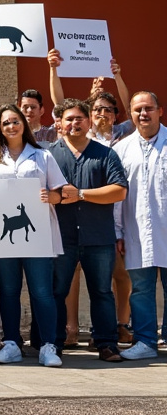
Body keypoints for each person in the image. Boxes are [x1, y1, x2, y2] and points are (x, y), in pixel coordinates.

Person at [0, 104, 66, 367]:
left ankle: (48, 345)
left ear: (24, 124)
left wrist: (52, 196)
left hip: (39, 237)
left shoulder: (42, 156)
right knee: (8, 291)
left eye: (15, 121)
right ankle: (11, 343)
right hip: (3, 236)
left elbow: (61, 192)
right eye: (5, 122)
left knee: (42, 292)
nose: (11, 126)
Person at [49, 98, 128, 362]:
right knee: (57, 291)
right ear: (59, 123)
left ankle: (106, 344)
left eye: (79, 118)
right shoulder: (49, 155)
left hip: (98, 237)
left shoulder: (105, 153)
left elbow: (119, 190)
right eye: (68, 119)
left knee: (102, 292)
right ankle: (54, 343)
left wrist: (81, 194)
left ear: (89, 120)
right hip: (61, 237)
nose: (74, 123)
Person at [113, 92, 167, 361]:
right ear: (131, 114)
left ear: (160, 111)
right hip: (137, 230)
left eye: (148, 108)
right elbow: (116, 196)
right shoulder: (121, 149)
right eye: (137, 110)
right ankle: (146, 340)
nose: (143, 114)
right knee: (142, 288)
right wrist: (118, 232)